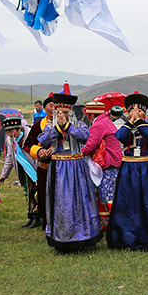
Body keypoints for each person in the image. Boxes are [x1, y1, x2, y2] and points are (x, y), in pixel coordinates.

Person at [36, 94, 103, 250]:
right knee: (61, 203)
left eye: (65, 113)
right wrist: (58, 129)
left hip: (77, 167)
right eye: (58, 112)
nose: (61, 116)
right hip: (58, 168)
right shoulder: (49, 127)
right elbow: (43, 140)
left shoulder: (79, 125)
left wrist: (67, 127)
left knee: (81, 200)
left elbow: (85, 137)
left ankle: (84, 236)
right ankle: (62, 237)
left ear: (71, 113)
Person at [106, 93, 148, 250]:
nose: (136, 114)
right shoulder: (125, 127)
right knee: (128, 202)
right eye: (133, 111)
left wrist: (139, 120)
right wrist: (131, 122)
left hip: (147, 167)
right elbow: (119, 136)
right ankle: (127, 238)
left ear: (145, 113)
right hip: (128, 167)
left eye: (140, 111)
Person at [81, 101, 119, 233]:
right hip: (114, 161)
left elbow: (91, 146)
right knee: (109, 193)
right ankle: (109, 223)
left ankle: (112, 224)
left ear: (91, 115)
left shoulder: (98, 125)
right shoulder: (106, 121)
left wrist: (77, 153)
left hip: (109, 162)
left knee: (108, 194)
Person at [0, 116, 40, 228]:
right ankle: (31, 216)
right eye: (7, 132)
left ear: (18, 129)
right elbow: (9, 157)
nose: (10, 134)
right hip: (22, 169)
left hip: (34, 168)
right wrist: (4, 175)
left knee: (35, 192)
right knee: (28, 192)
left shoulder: (30, 135)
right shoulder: (10, 139)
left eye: (12, 132)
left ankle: (37, 217)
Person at [26, 96, 55, 230]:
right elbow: (28, 144)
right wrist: (39, 152)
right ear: (44, 109)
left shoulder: (68, 124)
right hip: (44, 167)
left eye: (56, 105)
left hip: (62, 166)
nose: (53, 108)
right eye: (50, 105)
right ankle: (47, 222)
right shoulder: (38, 125)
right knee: (44, 194)